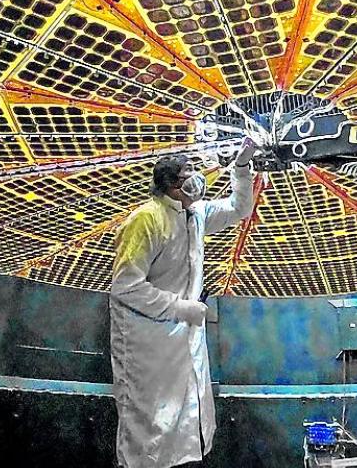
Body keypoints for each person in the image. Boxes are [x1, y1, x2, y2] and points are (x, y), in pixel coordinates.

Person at [109, 140, 259, 468]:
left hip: (183, 334)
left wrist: (242, 167)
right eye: (188, 171)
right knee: (149, 425)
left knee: (187, 422)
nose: (196, 176)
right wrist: (181, 309)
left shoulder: (196, 213)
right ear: (171, 184)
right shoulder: (146, 220)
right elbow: (126, 287)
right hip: (146, 340)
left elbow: (239, 208)